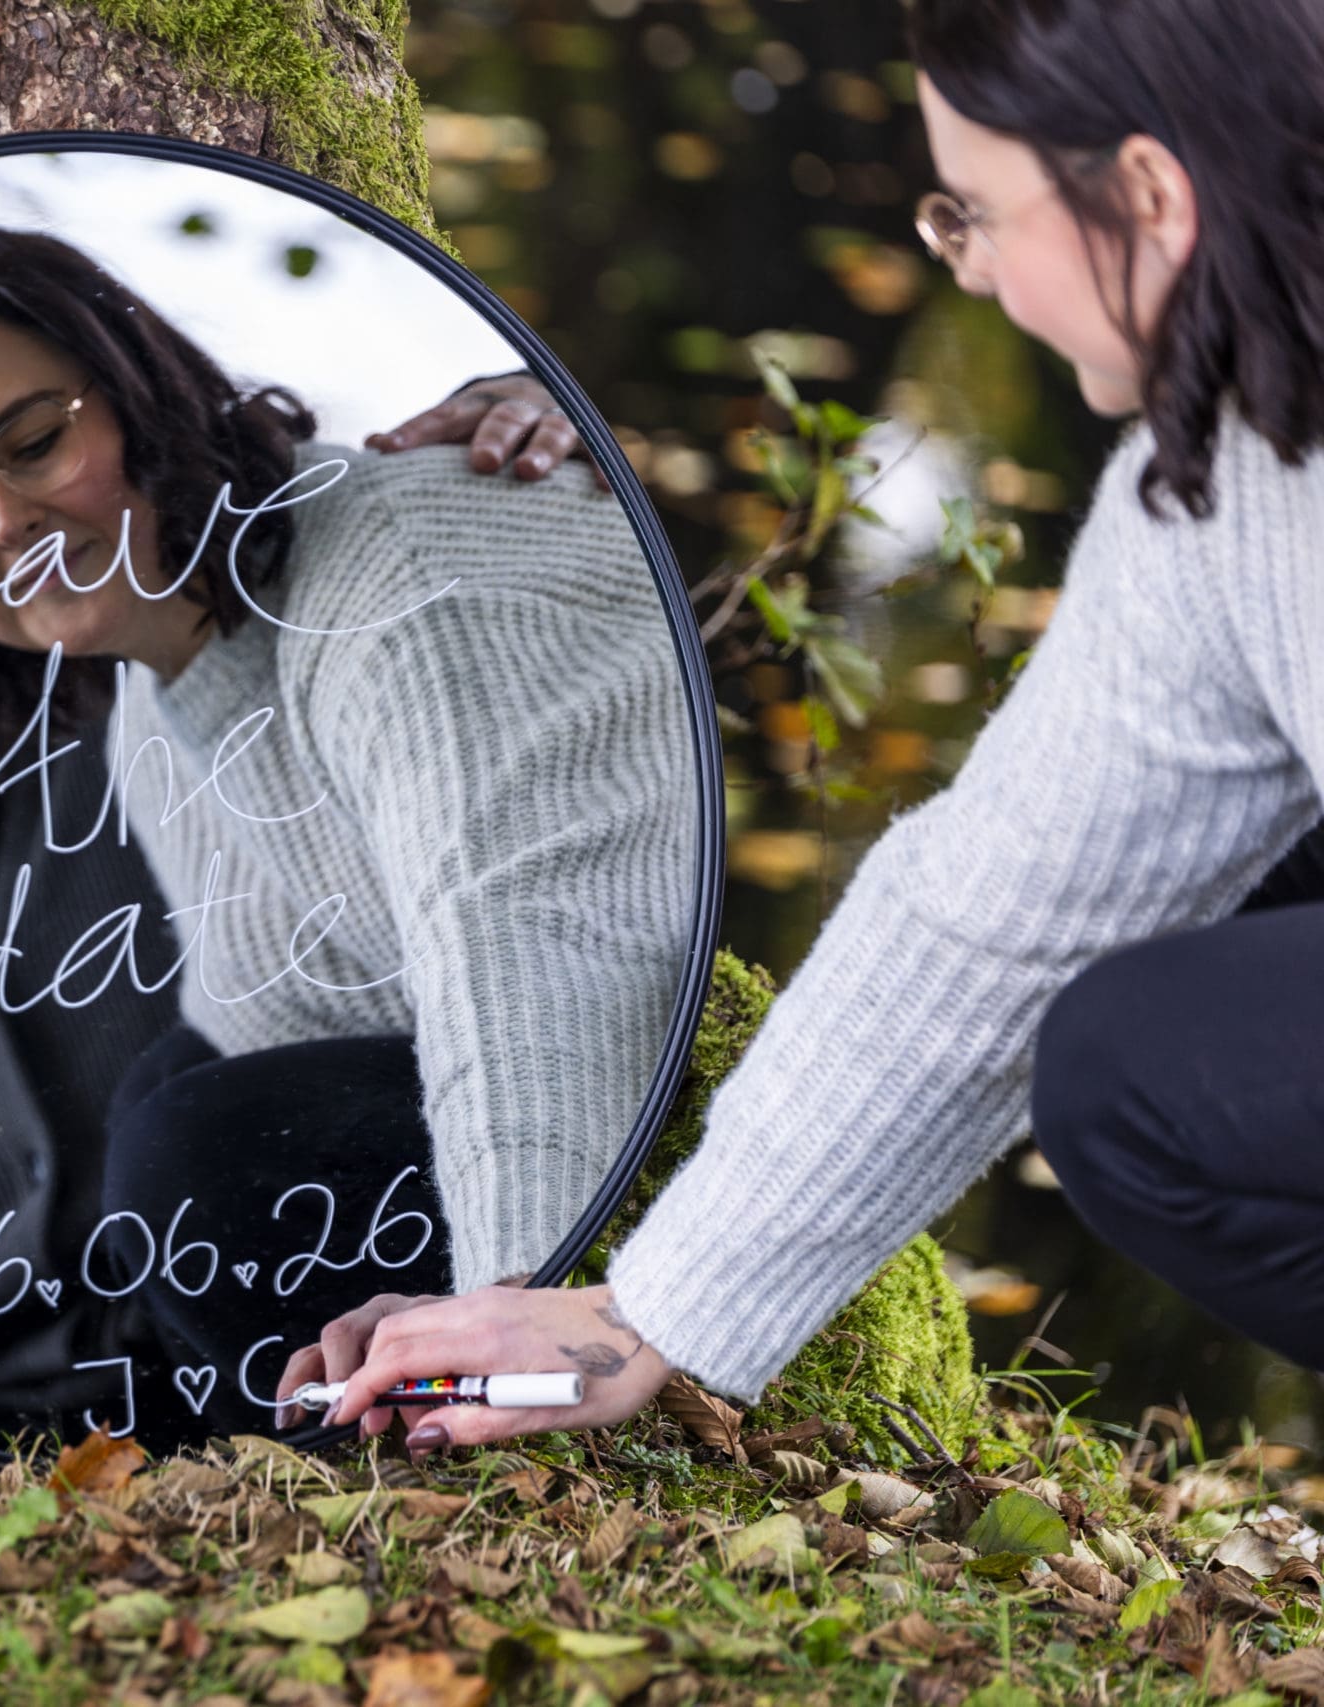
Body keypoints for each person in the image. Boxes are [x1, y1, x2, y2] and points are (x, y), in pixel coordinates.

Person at [314, 0, 1324, 1457]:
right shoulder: (1230, 479)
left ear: (1151, 194)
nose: (962, 262)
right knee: (1241, 886)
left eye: (975, 211)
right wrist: (652, 1310)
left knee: (1140, 1070)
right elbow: (1001, 910)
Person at [0, 311, 595, 1435]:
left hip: (344, 1389)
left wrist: (526, 398)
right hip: (3, 1476)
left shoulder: (150, 649)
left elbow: (336, 541)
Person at [0, 225, 700, 1414]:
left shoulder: (395, 574)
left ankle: (440, 1409)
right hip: (504, 1093)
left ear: (136, 389)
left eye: (32, 444)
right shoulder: (152, 708)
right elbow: (278, 1020)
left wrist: (514, 1310)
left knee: (202, 1151)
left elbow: (530, 953)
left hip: (647, 1107)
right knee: (167, 1105)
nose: (0, 521)